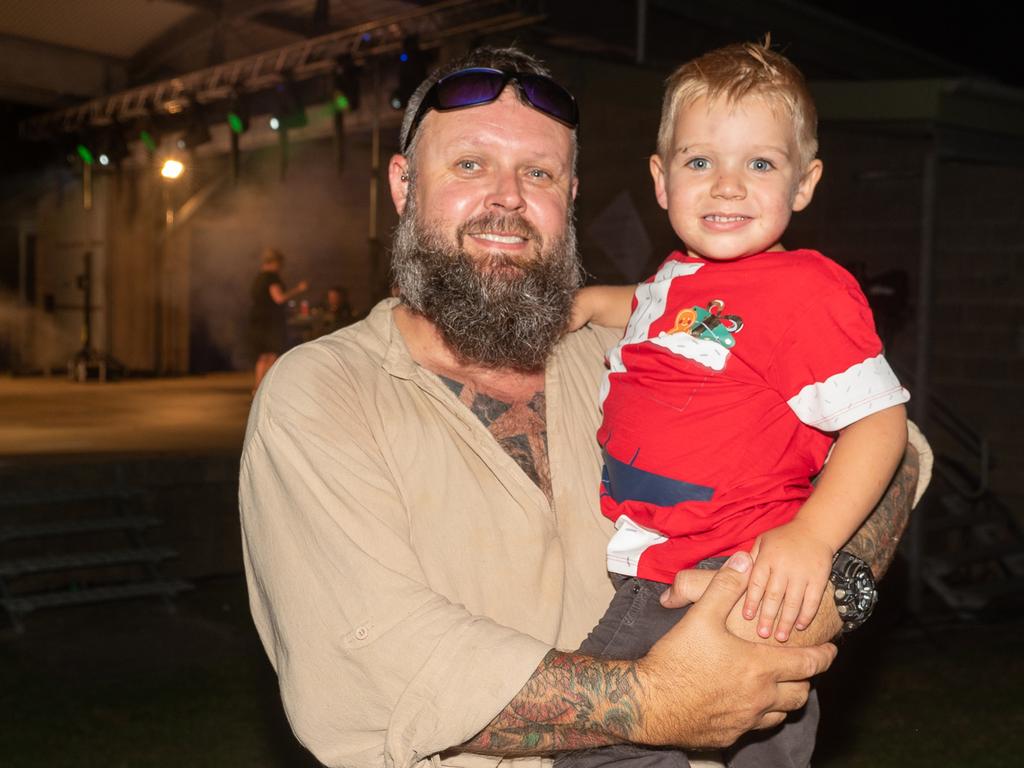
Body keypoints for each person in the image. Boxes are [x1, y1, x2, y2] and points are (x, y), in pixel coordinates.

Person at [238, 47, 928, 768]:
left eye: (537, 172)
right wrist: (661, 701)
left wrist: (815, 587)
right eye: (469, 165)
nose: (506, 196)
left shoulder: (627, 347)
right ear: (404, 185)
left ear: (567, 196)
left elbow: (898, 450)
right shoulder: (320, 392)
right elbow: (370, 673)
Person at [568, 41, 910, 768]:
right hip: (662, 557)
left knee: (600, 738)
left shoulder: (805, 291)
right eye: (700, 162)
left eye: (760, 163)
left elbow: (881, 421)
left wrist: (811, 539)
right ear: (661, 181)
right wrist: (595, 302)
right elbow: (666, 310)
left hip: (733, 561)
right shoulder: (681, 278)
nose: (726, 186)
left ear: (805, 182)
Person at [249, 247, 308, 391]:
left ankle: (257, 389)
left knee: (263, 356)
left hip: (257, 320)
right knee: (272, 355)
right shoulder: (271, 277)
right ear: (275, 262)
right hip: (270, 321)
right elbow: (279, 298)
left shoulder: (258, 278)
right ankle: (266, 389)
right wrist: (299, 289)